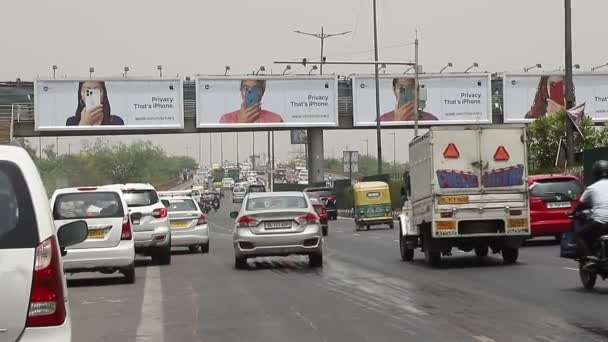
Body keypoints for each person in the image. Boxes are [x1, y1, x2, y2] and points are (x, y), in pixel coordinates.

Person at [574, 160, 608, 265]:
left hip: (601, 222)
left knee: (579, 235)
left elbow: (580, 205)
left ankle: (589, 258)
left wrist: (573, 213)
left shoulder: (591, 188)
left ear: (595, 173)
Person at [219, 80, 284, 124]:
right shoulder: (226, 120)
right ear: (241, 91)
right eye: (246, 88)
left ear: (262, 92)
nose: (250, 92)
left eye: (255, 88)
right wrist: (241, 124)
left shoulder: (276, 120)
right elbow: (225, 143)